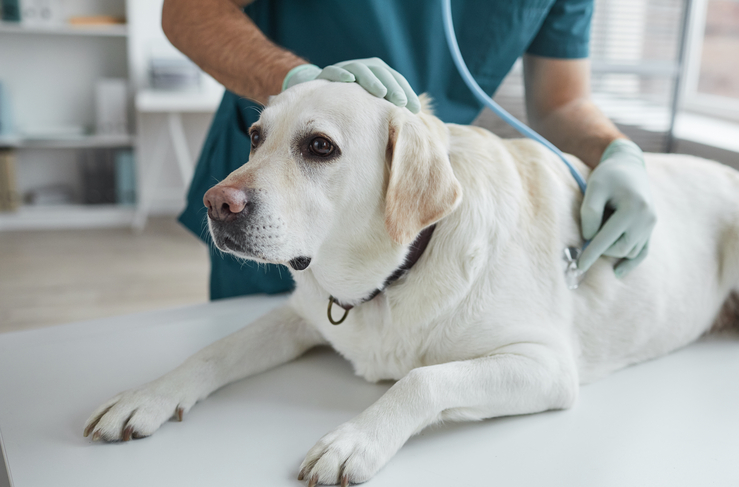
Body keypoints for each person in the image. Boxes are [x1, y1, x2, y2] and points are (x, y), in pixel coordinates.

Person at [162, 0, 656, 300]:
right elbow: (187, 10)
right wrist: (297, 82)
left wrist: (618, 153)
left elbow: (563, 103)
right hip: (280, 191)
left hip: (412, 218)